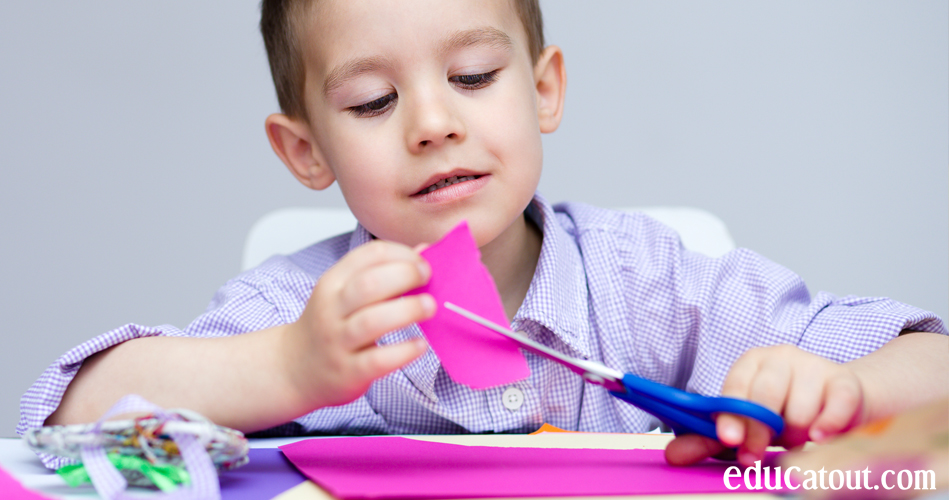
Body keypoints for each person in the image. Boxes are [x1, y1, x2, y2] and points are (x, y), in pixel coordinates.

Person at [19, 0, 947, 471]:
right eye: (372, 100)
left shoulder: (653, 285)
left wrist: (836, 389)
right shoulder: (291, 315)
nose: (431, 122)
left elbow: (934, 374)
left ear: (542, 90)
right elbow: (68, 419)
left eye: (470, 76)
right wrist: (288, 370)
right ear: (306, 150)